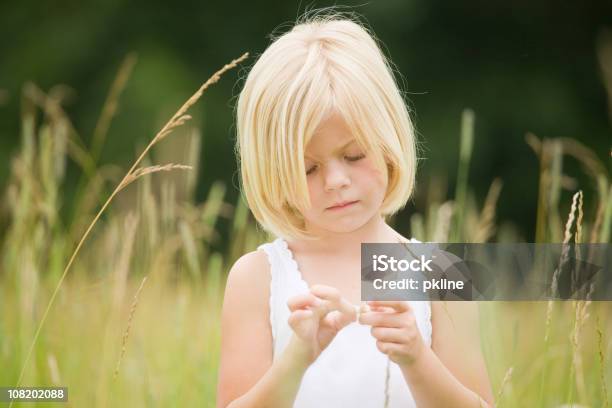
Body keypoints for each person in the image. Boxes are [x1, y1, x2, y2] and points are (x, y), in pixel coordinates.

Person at [217, 10, 494, 408]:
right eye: (308, 167)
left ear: (387, 142)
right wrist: (296, 359)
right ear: (274, 172)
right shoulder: (257, 278)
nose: (335, 181)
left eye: (354, 154)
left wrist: (416, 358)